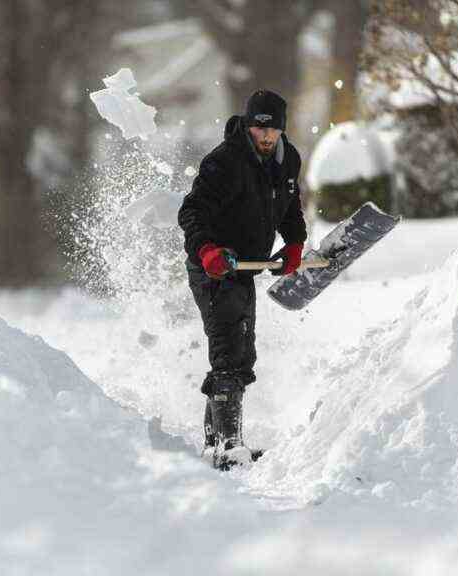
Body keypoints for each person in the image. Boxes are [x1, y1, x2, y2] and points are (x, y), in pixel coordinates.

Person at [177, 89, 307, 469]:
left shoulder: (288, 160)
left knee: (241, 353)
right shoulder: (224, 162)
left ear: (281, 130)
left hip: (245, 268)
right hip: (213, 266)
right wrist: (207, 251)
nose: (265, 137)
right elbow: (191, 212)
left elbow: (289, 207)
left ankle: (216, 445)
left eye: (272, 131)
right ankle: (229, 447)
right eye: (257, 129)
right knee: (229, 352)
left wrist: (295, 242)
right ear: (248, 127)